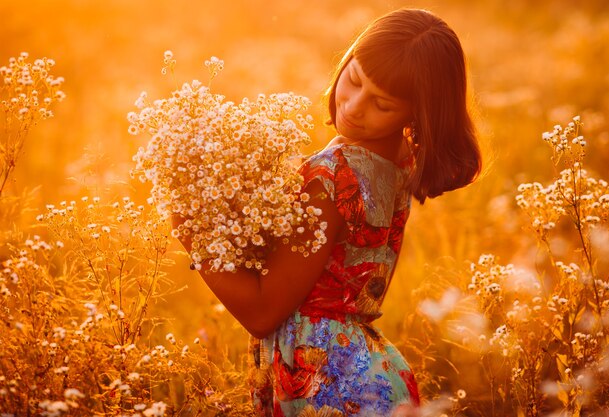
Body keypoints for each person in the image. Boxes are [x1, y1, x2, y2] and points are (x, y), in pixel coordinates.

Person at [174, 7, 481, 417]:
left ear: (415, 113)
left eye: (382, 105)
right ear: (348, 56)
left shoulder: (332, 176)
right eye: (354, 80)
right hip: (368, 376)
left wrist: (194, 234)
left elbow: (264, 313)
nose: (354, 107)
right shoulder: (400, 158)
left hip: (328, 389)